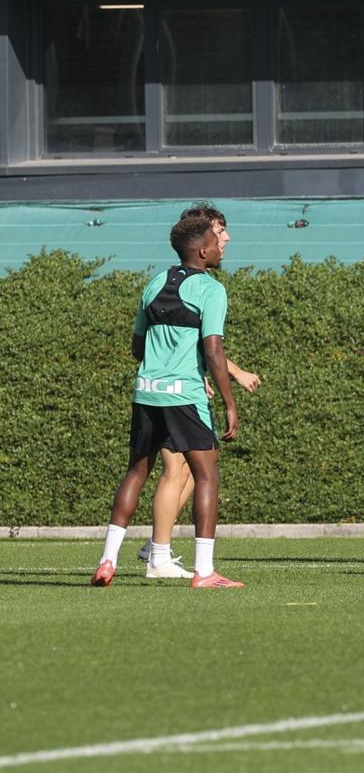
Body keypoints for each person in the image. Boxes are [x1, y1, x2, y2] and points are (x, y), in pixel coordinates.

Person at [91, 215, 243, 589]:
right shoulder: (211, 290)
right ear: (203, 250)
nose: (221, 245)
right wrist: (229, 401)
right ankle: (203, 571)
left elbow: (137, 347)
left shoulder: (155, 282)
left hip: (145, 391)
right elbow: (213, 349)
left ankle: (107, 560)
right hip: (184, 395)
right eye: (215, 238)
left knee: (136, 472)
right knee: (206, 474)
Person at [135, 202, 261, 578]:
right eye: (220, 231)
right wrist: (227, 387)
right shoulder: (195, 283)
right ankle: (159, 552)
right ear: (203, 239)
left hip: (175, 386)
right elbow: (207, 346)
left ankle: (157, 544)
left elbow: (197, 343)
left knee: (189, 472)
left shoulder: (173, 282)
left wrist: (230, 372)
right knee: (180, 471)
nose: (226, 238)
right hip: (177, 392)